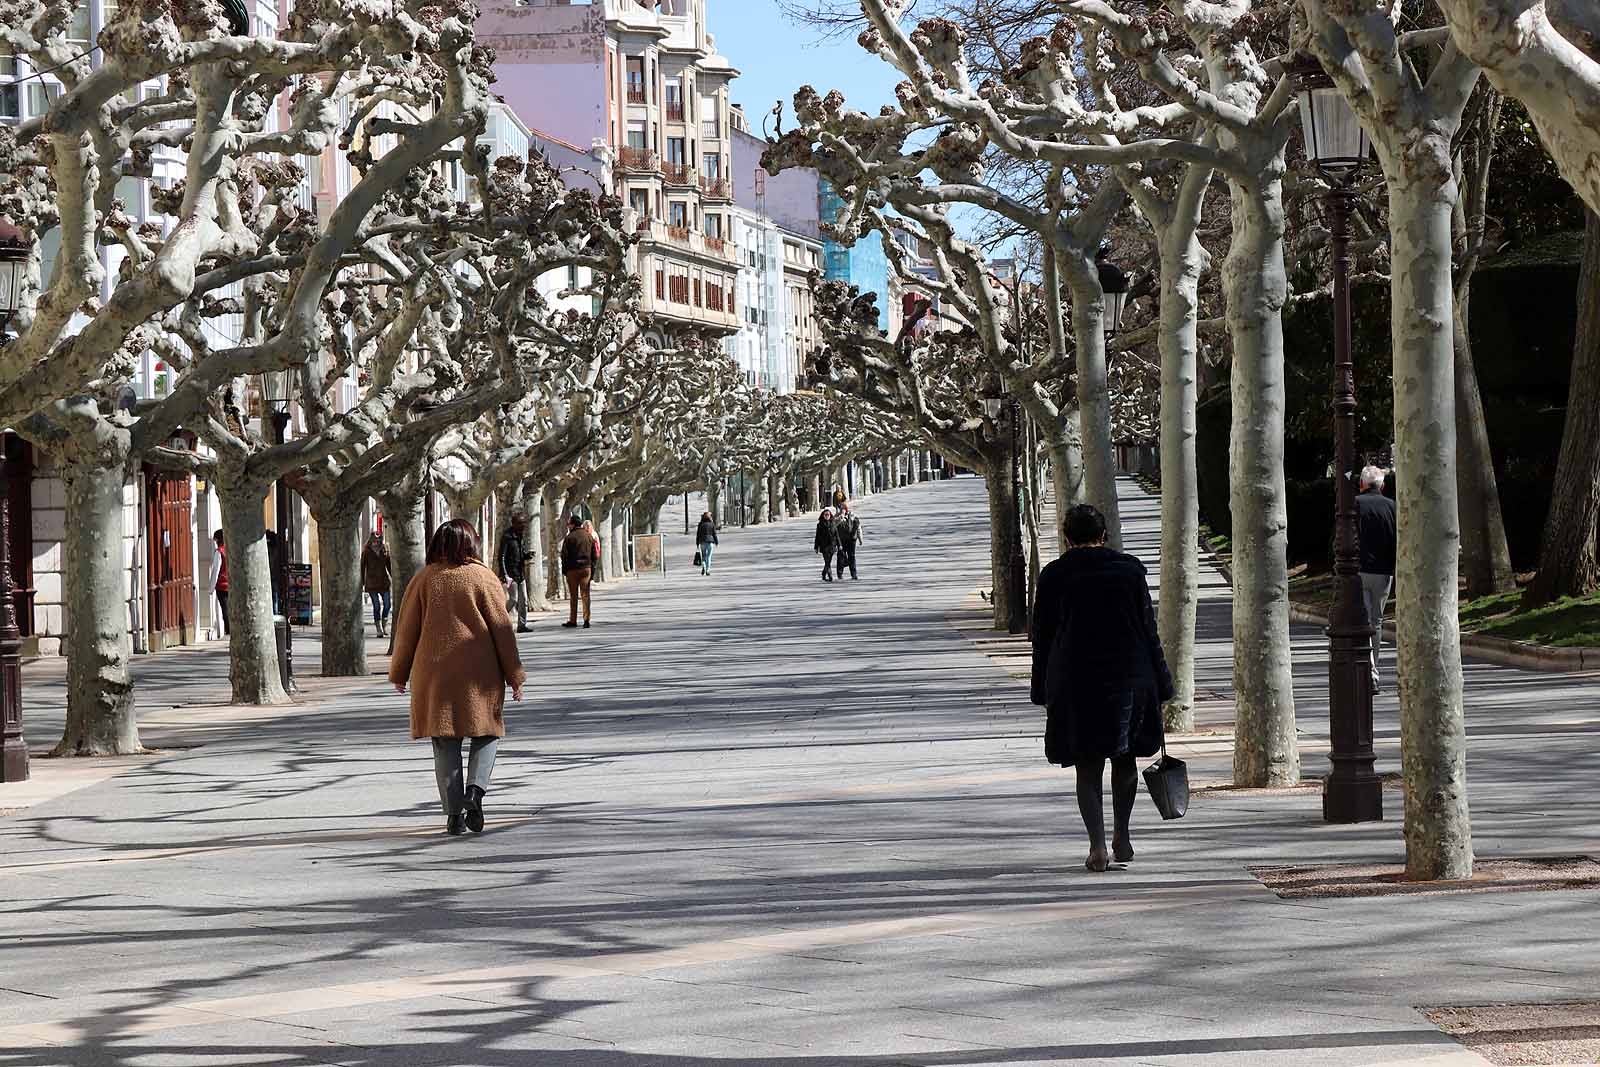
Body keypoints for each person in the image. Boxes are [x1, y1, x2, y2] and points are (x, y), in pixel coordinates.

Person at [1030, 503, 1173, 873]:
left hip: (1075, 681)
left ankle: (1096, 845)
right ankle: (1122, 835)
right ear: (1104, 535)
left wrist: (1041, 687)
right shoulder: (1129, 572)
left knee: (1087, 765)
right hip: (1129, 676)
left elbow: (1042, 639)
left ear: (1066, 538)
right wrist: (1163, 681)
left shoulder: (1054, 576)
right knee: (1124, 758)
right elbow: (1148, 630)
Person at [388, 519, 525, 836]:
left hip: (433, 673)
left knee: (445, 741)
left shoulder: (424, 579)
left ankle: (453, 816)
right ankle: (475, 793)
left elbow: (406, 633)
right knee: (487, 733)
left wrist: (399, 673)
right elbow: (502, 633)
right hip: (480, 673)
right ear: (471, 544)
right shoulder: (483, 578)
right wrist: (514, 676)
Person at [1356, 465, 1398, 694]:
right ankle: (1374, 669)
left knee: (1363, 620)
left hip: (1359, 570)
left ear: (1362, 484)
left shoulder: (1354, 504)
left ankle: (1368, 668)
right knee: (1376, 621)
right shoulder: (1392, 506)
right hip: (1383, 572)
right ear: (1382, 485)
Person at [561, 515, 599, 628]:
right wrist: (592, 569)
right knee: (585, 595)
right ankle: (586, 619)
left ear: (573, 524)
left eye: (569, 524)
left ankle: (573, 620)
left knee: (574, 596)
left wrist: (565, 570)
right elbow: (594, 556)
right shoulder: (588, 536)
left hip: (572, 570)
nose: (568, 526)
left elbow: (564, 556)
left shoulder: (569, 538)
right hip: (586, 569)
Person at [498, 513, 534, 633]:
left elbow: (520, 554)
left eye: (524, 523)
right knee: (513, 599)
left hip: (520, 573)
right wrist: (504, 573)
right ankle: (498, 620)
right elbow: (502, 556)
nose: (523, 525)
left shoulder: (520, 536)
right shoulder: (507, 536)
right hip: (510, 574)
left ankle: (522, 625)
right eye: (520, 523)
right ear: (514, 524)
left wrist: (527, 556)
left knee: (524, 601)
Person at [361, 528, 392, 637]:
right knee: (376, 606)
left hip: (384, 582)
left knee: (387, 605)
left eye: (378, 541)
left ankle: (384, 625)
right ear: (370, 540)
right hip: (372, 583)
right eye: (374, 541)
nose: (376, 543)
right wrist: (361, 583)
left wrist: (393, 577)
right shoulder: (366, 552)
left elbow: (389, 566)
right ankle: (378, 628)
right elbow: (362, 567)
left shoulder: (385, 550)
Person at [208, 530, 229, 637]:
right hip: (231, 585)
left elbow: (216, 570)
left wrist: (211, 588)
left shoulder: (219, 552)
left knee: (225, 608)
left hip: (222, 585)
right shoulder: (229, 550)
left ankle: (229, 630)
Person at [835, 504, 863, 580]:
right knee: (841, 556)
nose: (841, 510)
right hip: (841, 540)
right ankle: (840, 574)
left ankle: (854, 574)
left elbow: (858, 527)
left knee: (852, 556)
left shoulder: (852, 516)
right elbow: (833, 527)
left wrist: (860, 539)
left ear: (846, 509)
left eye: (843, 509)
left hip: (851, 540)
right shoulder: (836, 517)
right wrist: (840, 519)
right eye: (840, 509)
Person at [814, 507, 839, 582]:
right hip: (824, 546)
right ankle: (830, 575)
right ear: (823, 516)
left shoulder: (833, 523)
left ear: (830, 515)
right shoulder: (820, 525)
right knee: (827, 561)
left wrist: (839, 545)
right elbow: (817, 536)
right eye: (825, 515)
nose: (827, 516)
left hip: (832, 545)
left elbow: (836, 535)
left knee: (828, 561)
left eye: (828, 514)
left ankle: (824, 573)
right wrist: (816, 547)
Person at [695, 511, 719, 575]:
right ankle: (708, 570)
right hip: (710, 542)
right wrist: (716, 542)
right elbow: (714, 534)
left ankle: (704, 567)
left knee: (703, 556)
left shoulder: (700, 524)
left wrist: (697, 543)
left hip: (702, 542)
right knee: (709, 557)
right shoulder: (712, 524)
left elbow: (698, 534)